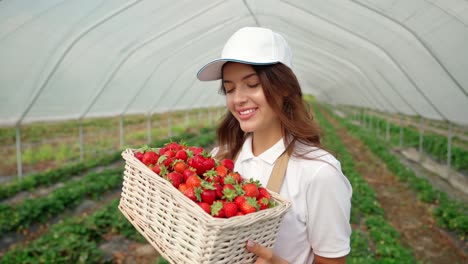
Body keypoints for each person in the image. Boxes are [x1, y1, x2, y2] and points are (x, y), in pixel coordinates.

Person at [196, 27, 352, 264]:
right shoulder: (220, 158)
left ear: (285, 88)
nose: (238, 99)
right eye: (229, 88)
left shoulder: (318, 173)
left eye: (252, 84)